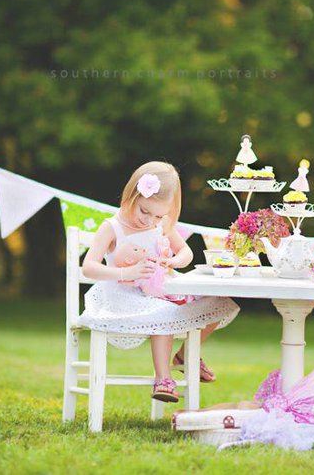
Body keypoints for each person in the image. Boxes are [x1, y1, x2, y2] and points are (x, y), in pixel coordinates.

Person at [80, 161, 239, 402]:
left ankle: (186, 355)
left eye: (158, 215)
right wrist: (127, 273)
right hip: (125, 294)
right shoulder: (111, 227)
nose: (149, 221)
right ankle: (163, 379)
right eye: (144, 211)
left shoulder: (160, 223)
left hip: (162, 289)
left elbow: (186, 252)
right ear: (132, 196)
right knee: (164, 313)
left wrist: (175, 262)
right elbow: (89, 267)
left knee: (219, 303)